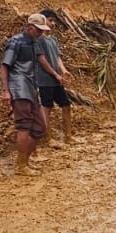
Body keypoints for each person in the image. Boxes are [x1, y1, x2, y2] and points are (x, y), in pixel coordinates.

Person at [1, 13, 50, 176]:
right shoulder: (16, 42)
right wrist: (6, 90)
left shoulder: (34, 42)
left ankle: (24, 161)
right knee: (24, 126)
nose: (41, 33)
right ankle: (21, 165)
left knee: (39, 128)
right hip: (19, 88)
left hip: (31, 88)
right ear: (29, 27)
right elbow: (5, 66)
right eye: (38, 30)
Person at [35, 9, 80, 148]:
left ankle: (68, 136)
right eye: (50, 20)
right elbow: (42, 60)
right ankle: (47, 139)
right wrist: (55, 74)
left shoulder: (53, 40)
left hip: (56, 80)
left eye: (54, 21)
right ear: (43, 21)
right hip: (45, 80)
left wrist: (64, 70)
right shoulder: (39, 40)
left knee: (66, 105)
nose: (53, 23)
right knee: (46, 108)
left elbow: (57, 57)